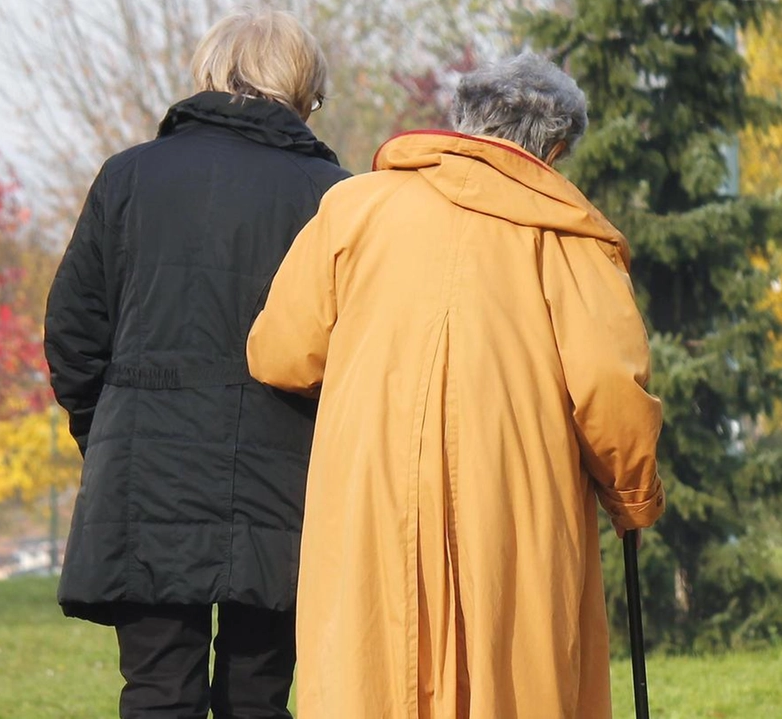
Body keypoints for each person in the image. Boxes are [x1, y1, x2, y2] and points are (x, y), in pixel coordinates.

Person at [247, 53, 665, 718]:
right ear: (554, 147)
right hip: (516, 502)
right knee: (513, 676)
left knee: (373, 673)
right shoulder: (572, 243)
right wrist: (634, 499)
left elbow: (280, 354)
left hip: (371, 494)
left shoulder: (353, 209)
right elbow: (611, 394)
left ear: (462, 120)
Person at [43, 10, 348, 718]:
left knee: (156, 692)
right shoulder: (332, 196)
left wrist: (109, 431)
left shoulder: (128, 178)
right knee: (258, 693)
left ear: (210, 74)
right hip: (285, 479)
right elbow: (355, 351)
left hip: (143, 472)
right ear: (302, 90)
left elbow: (72, 331)